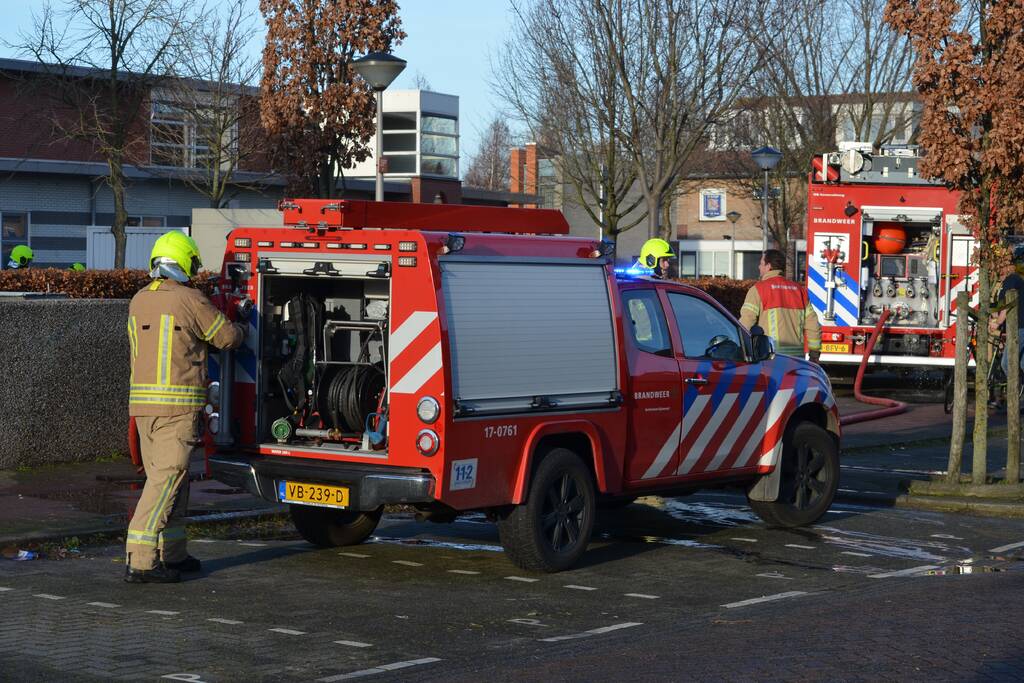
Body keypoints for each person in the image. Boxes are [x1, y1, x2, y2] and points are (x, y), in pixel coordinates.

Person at [124, 231, 244, 584]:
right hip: (176, 409)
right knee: (165, 483)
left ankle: (173, 553)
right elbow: (226, 337)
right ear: (183, 261)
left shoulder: (139, 299)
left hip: (143, 409)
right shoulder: (190, 299)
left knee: (173, 482)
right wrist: (245, 325)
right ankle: (141, 561)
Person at [739, 249, 822, 361]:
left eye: (761, 264)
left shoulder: (758, 289)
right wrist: (814, 354)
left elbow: (746, 322)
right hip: (796, 358)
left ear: (768, 266)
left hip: (770, 356)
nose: (759, 267)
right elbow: (813, 325)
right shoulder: (799, 290)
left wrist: (738, 346)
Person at [990, 244, 1024, 381]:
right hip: (1016, 328)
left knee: (1007, 364)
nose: (999, 268)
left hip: (1020, 327)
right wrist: (992, 316)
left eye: (1002, 265)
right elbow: (1000, 306)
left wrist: (998, 323)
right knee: (1021, 364)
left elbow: (1007, 304)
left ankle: (1014, 392)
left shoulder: (1012, 280)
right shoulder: (1005, 283)